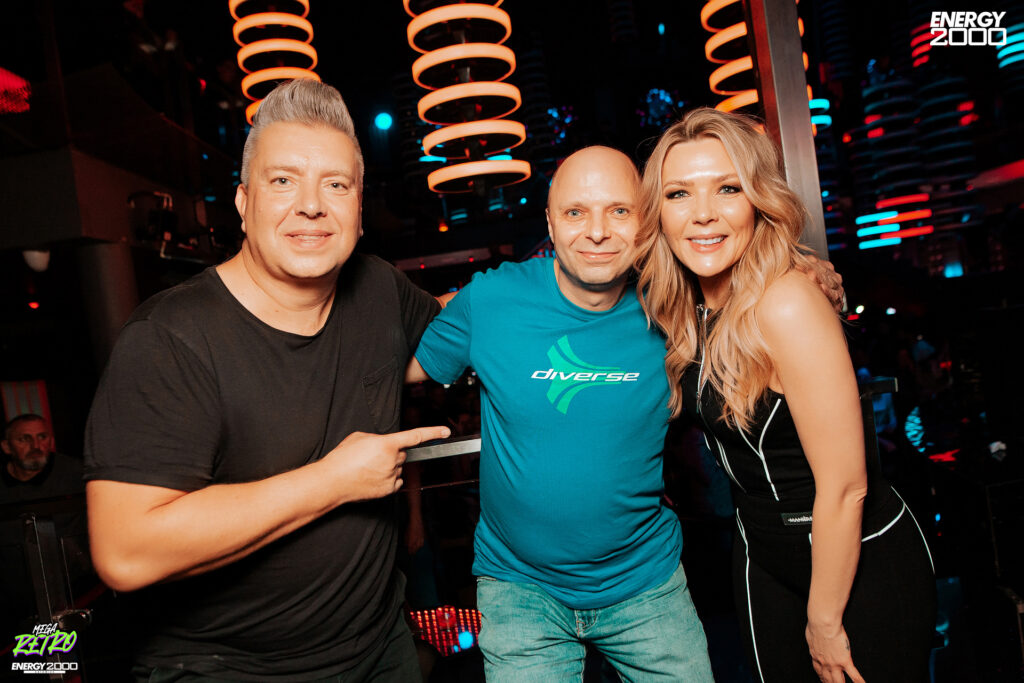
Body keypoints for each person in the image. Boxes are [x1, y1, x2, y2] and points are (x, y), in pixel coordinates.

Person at [407, 146, 842, 681]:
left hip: (646, 587)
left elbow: (752, 280)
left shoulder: (674, 301)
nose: (597, 232)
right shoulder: (493, 300)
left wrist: (800, 269)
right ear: (550, 222)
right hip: (520, 591)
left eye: (618, 210)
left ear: (645, 221)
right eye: (575, 212)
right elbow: (391, 365)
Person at [84, 79, 450, 682]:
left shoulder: (379, 289)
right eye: (283, 181)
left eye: (336, 185)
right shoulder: (170, 338)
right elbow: (126, 551)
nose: (312, 205)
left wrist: (570, 284)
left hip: (380, 649)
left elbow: (455, 330)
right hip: (229, 669)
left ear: (359, 208)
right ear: (243, 202)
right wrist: (332, 482)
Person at [636, 108, 936, 683]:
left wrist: (823, 620)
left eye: (728, 188)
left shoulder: (787, 302)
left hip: (857, 559)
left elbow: (846, 487)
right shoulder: (688, 310)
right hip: (762, 555)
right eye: (678, 194)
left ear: (758, 200)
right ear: (660, 214)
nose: (703, 213)